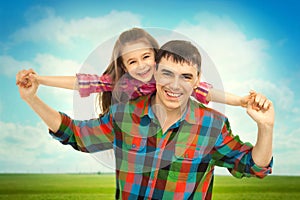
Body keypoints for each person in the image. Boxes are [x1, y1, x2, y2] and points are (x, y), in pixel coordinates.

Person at [17, 39, 274, 199]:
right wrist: (32, 97)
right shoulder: (123, 114)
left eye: (185, 76)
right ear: (155, 73)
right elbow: (75, 133)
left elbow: (254, 166)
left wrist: (265, 127)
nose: (174, 85)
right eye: (167, 74)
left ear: (197, 81)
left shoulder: (212, 126)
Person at [17, 28, 250, 115]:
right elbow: (81, 82)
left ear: (156, 55)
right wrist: (40, 79)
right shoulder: (122, 82)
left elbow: (207, 92)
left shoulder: (169, 77)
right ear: (124, 67)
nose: (142, 65)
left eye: (146, 57)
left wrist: (240, 100)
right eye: (132, 61)